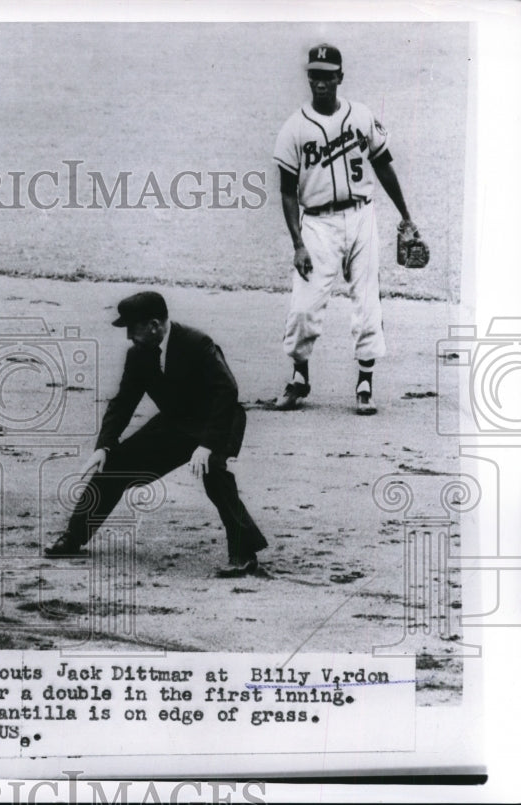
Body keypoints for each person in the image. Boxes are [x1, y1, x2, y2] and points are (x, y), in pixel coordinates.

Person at [44, 291, 268, 578]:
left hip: (219, 420)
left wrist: (208, 445)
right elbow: (124, 402)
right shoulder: (139, 354)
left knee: (214, 471)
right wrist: (105, 445)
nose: (128, 336)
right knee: (114, 462)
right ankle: (73, 537)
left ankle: (244, 554)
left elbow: (228, 391)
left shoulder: (197, 343)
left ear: (153, 325)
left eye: (131, 328)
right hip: (176, 423)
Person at [272, 43, 420, 415]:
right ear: (309, 77)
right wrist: (298, 244)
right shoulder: (294, 129)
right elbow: (287, 193)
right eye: (314, 75)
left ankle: (365, 382)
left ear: (340, 77)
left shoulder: (361, 117)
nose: (320, 82)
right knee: (305, 307)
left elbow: (383, 165)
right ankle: (299, 377)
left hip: (360, 217)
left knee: (367, 299)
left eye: (327, 75)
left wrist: (406, 215)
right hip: (317, 225)